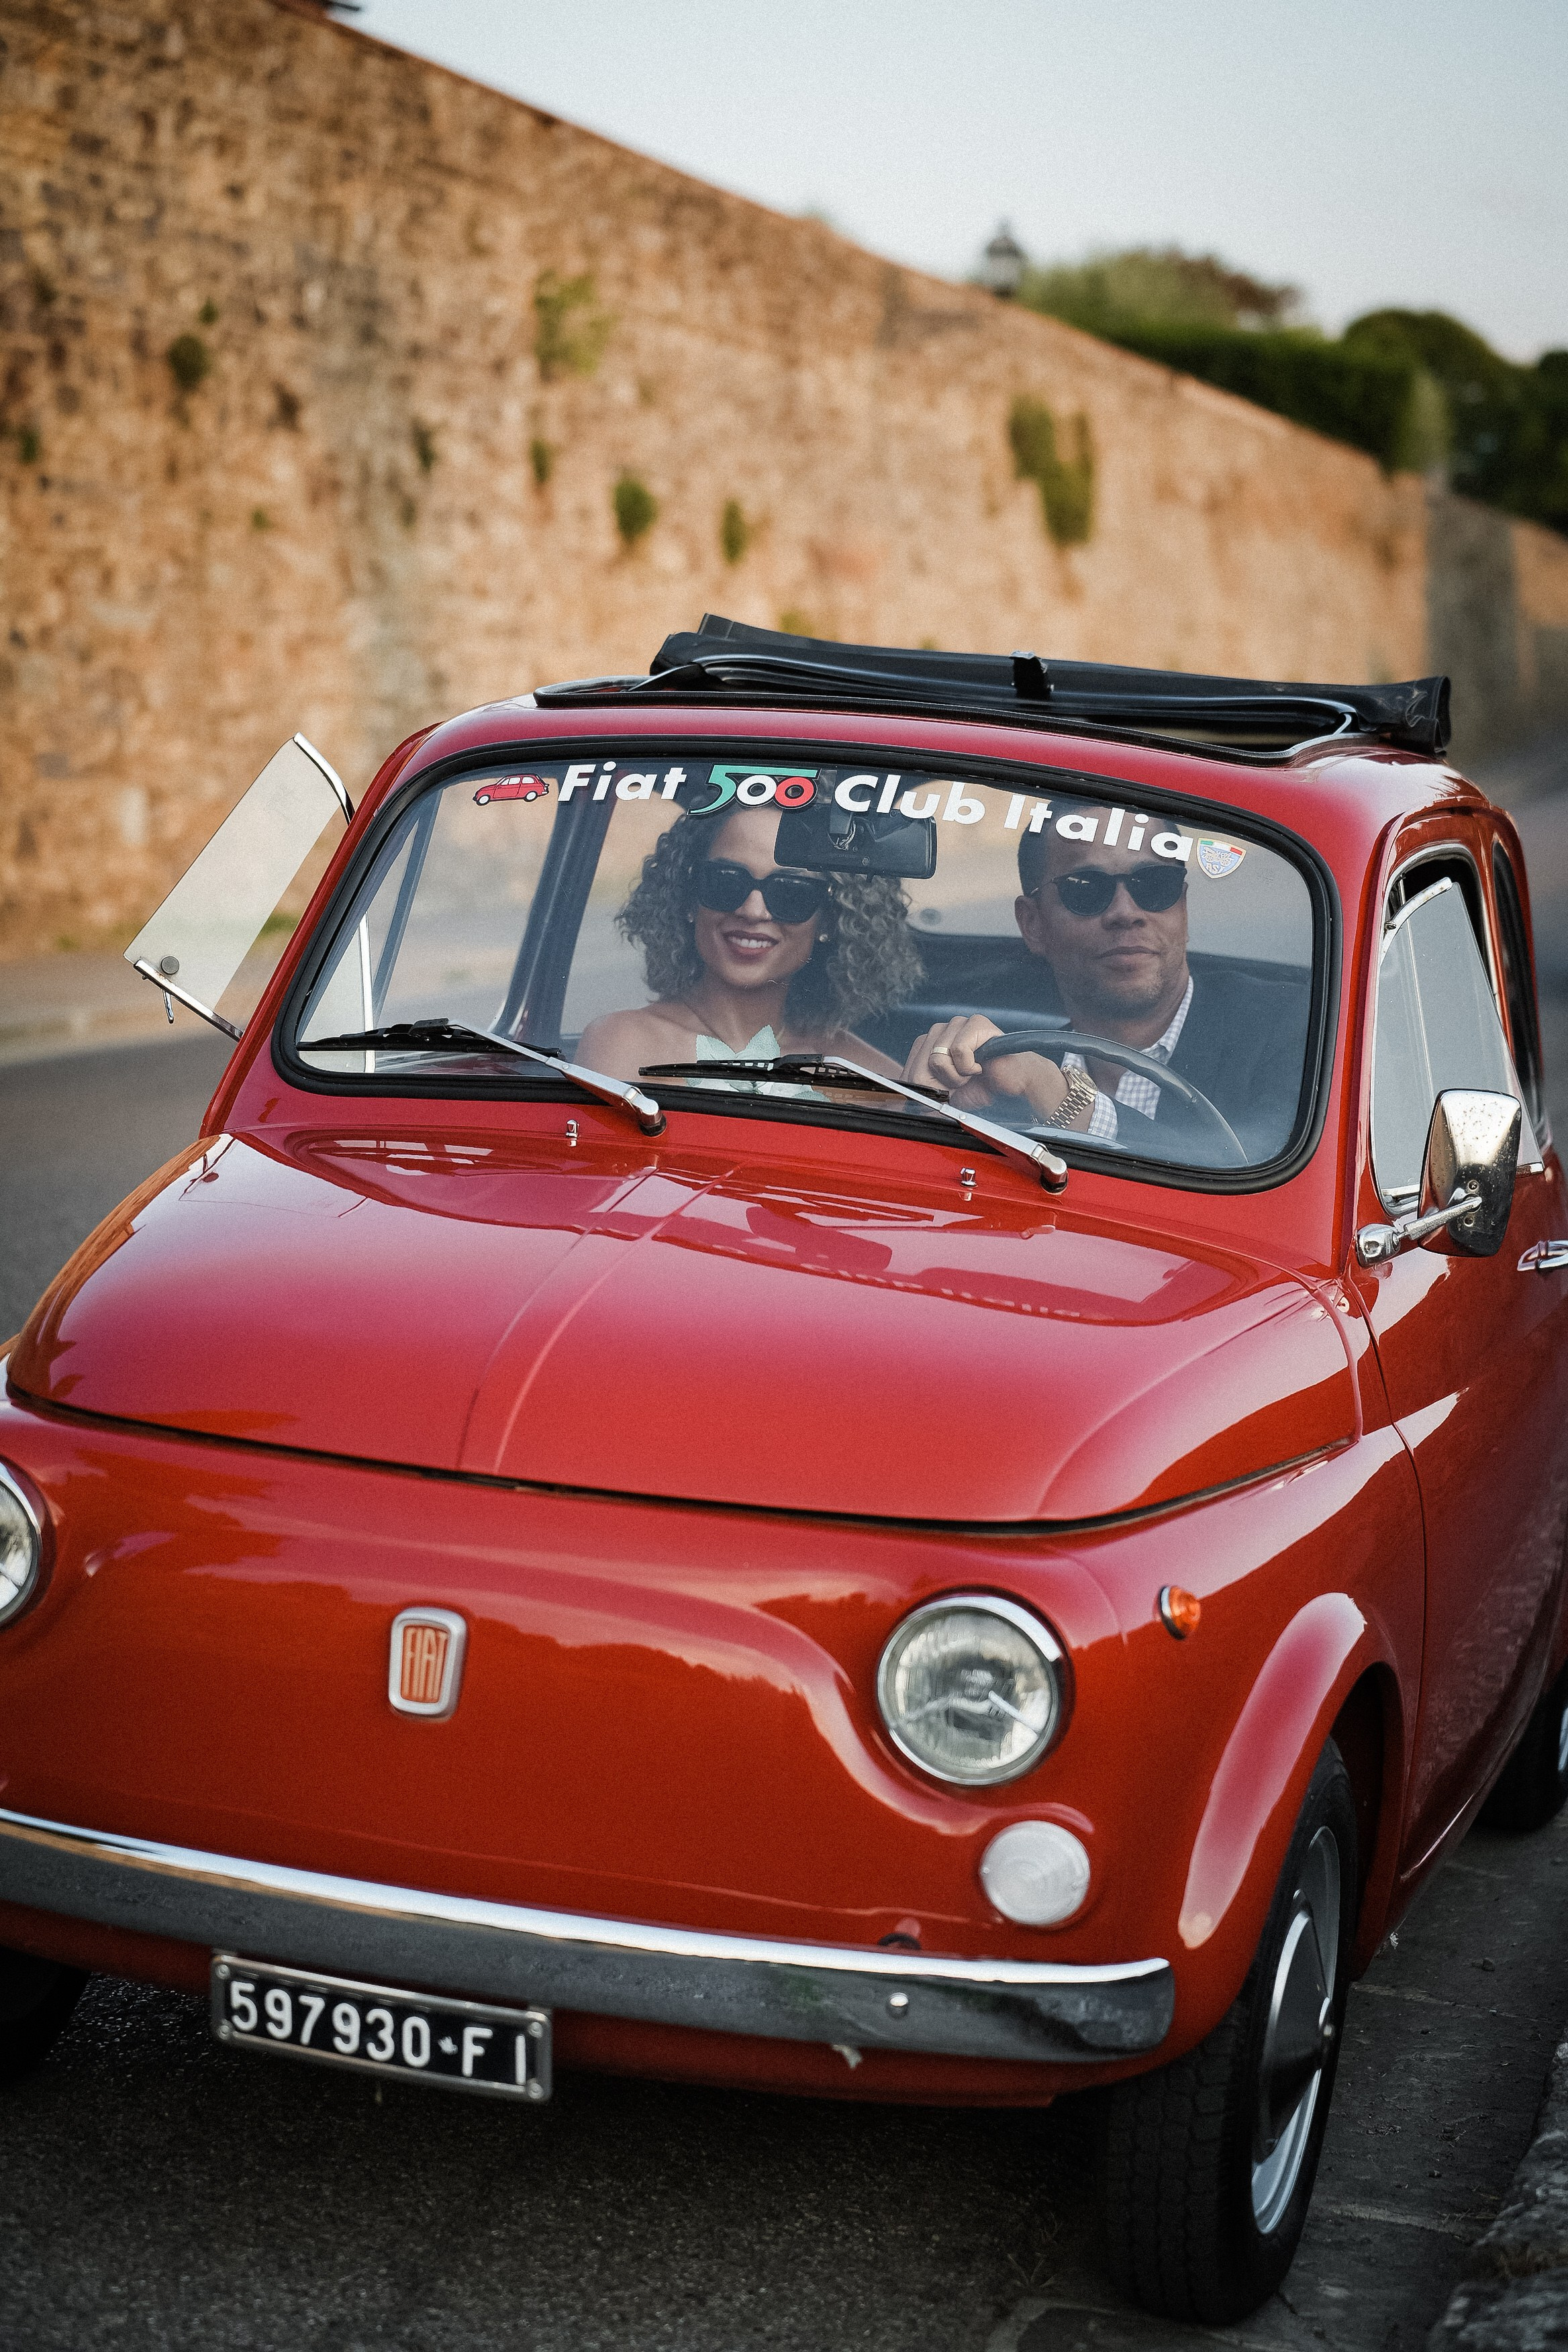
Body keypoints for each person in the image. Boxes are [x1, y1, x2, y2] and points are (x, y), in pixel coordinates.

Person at [901, 801, 1307, 1157]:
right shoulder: (1001, 1083)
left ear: (1182, 905)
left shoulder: (1297, 1031)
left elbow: (1246, 1181)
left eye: (1155, 885)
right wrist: (929, 1116)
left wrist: (1058, 1096)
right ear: (1033, 924)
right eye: (1086, 889)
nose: (1125, 912)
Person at [579, 802, 921, 1082]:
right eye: (725, 882)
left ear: (829, 920)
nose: (753, 911)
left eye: (791, 892)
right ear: (688, 898)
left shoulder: (872, 1076)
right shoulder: (621, 1043)